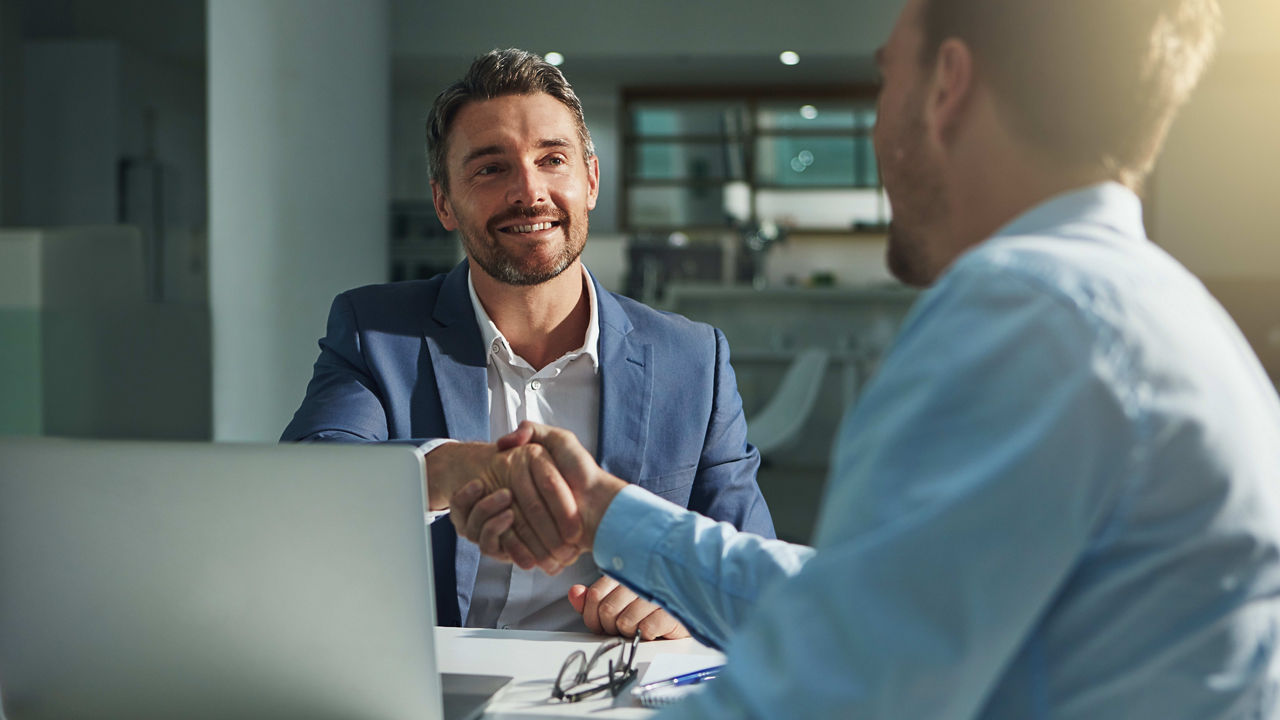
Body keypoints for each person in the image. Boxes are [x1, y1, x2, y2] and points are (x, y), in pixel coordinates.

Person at [453, 0, 1280, 716]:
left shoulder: (1021, 314)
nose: (881, 124)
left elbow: (822, 688)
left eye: (887, 80)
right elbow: (858, 605)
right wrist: (608, 513)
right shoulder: (1148, 307)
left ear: (946, 89)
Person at [281, 48, 775, 638]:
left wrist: (688, 602)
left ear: (590, 180)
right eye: (491, 168)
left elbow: (754, 570)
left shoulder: (693, 360)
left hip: (612, 689)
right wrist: (455, 468)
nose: (529, 191)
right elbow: (306, 484)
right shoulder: (374, 331)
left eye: (552, 159)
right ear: (444, 201)